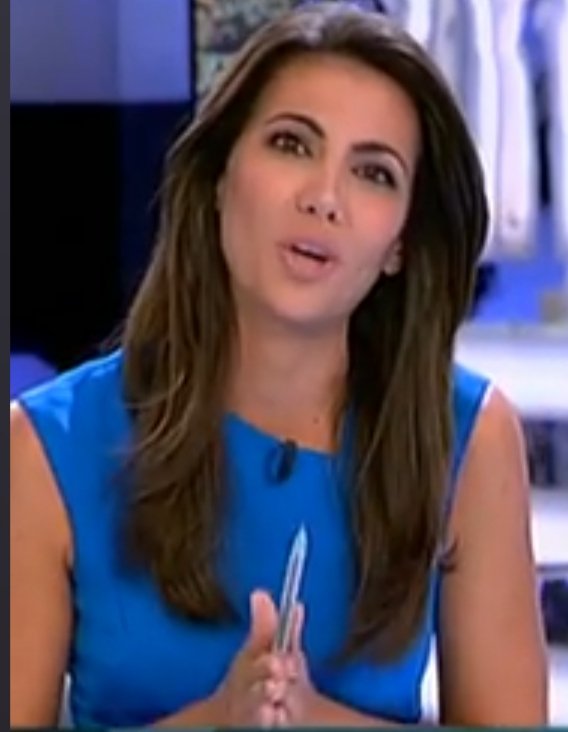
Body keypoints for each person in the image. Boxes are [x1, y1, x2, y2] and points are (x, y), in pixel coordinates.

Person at [10, 1, 548, 727]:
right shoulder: (49, 447)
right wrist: (214, 721)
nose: (324, 198)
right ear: (219, 178)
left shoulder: (468, 438)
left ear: (399, 243)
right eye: (292, 144)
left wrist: (317, 719)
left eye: (374, 173)